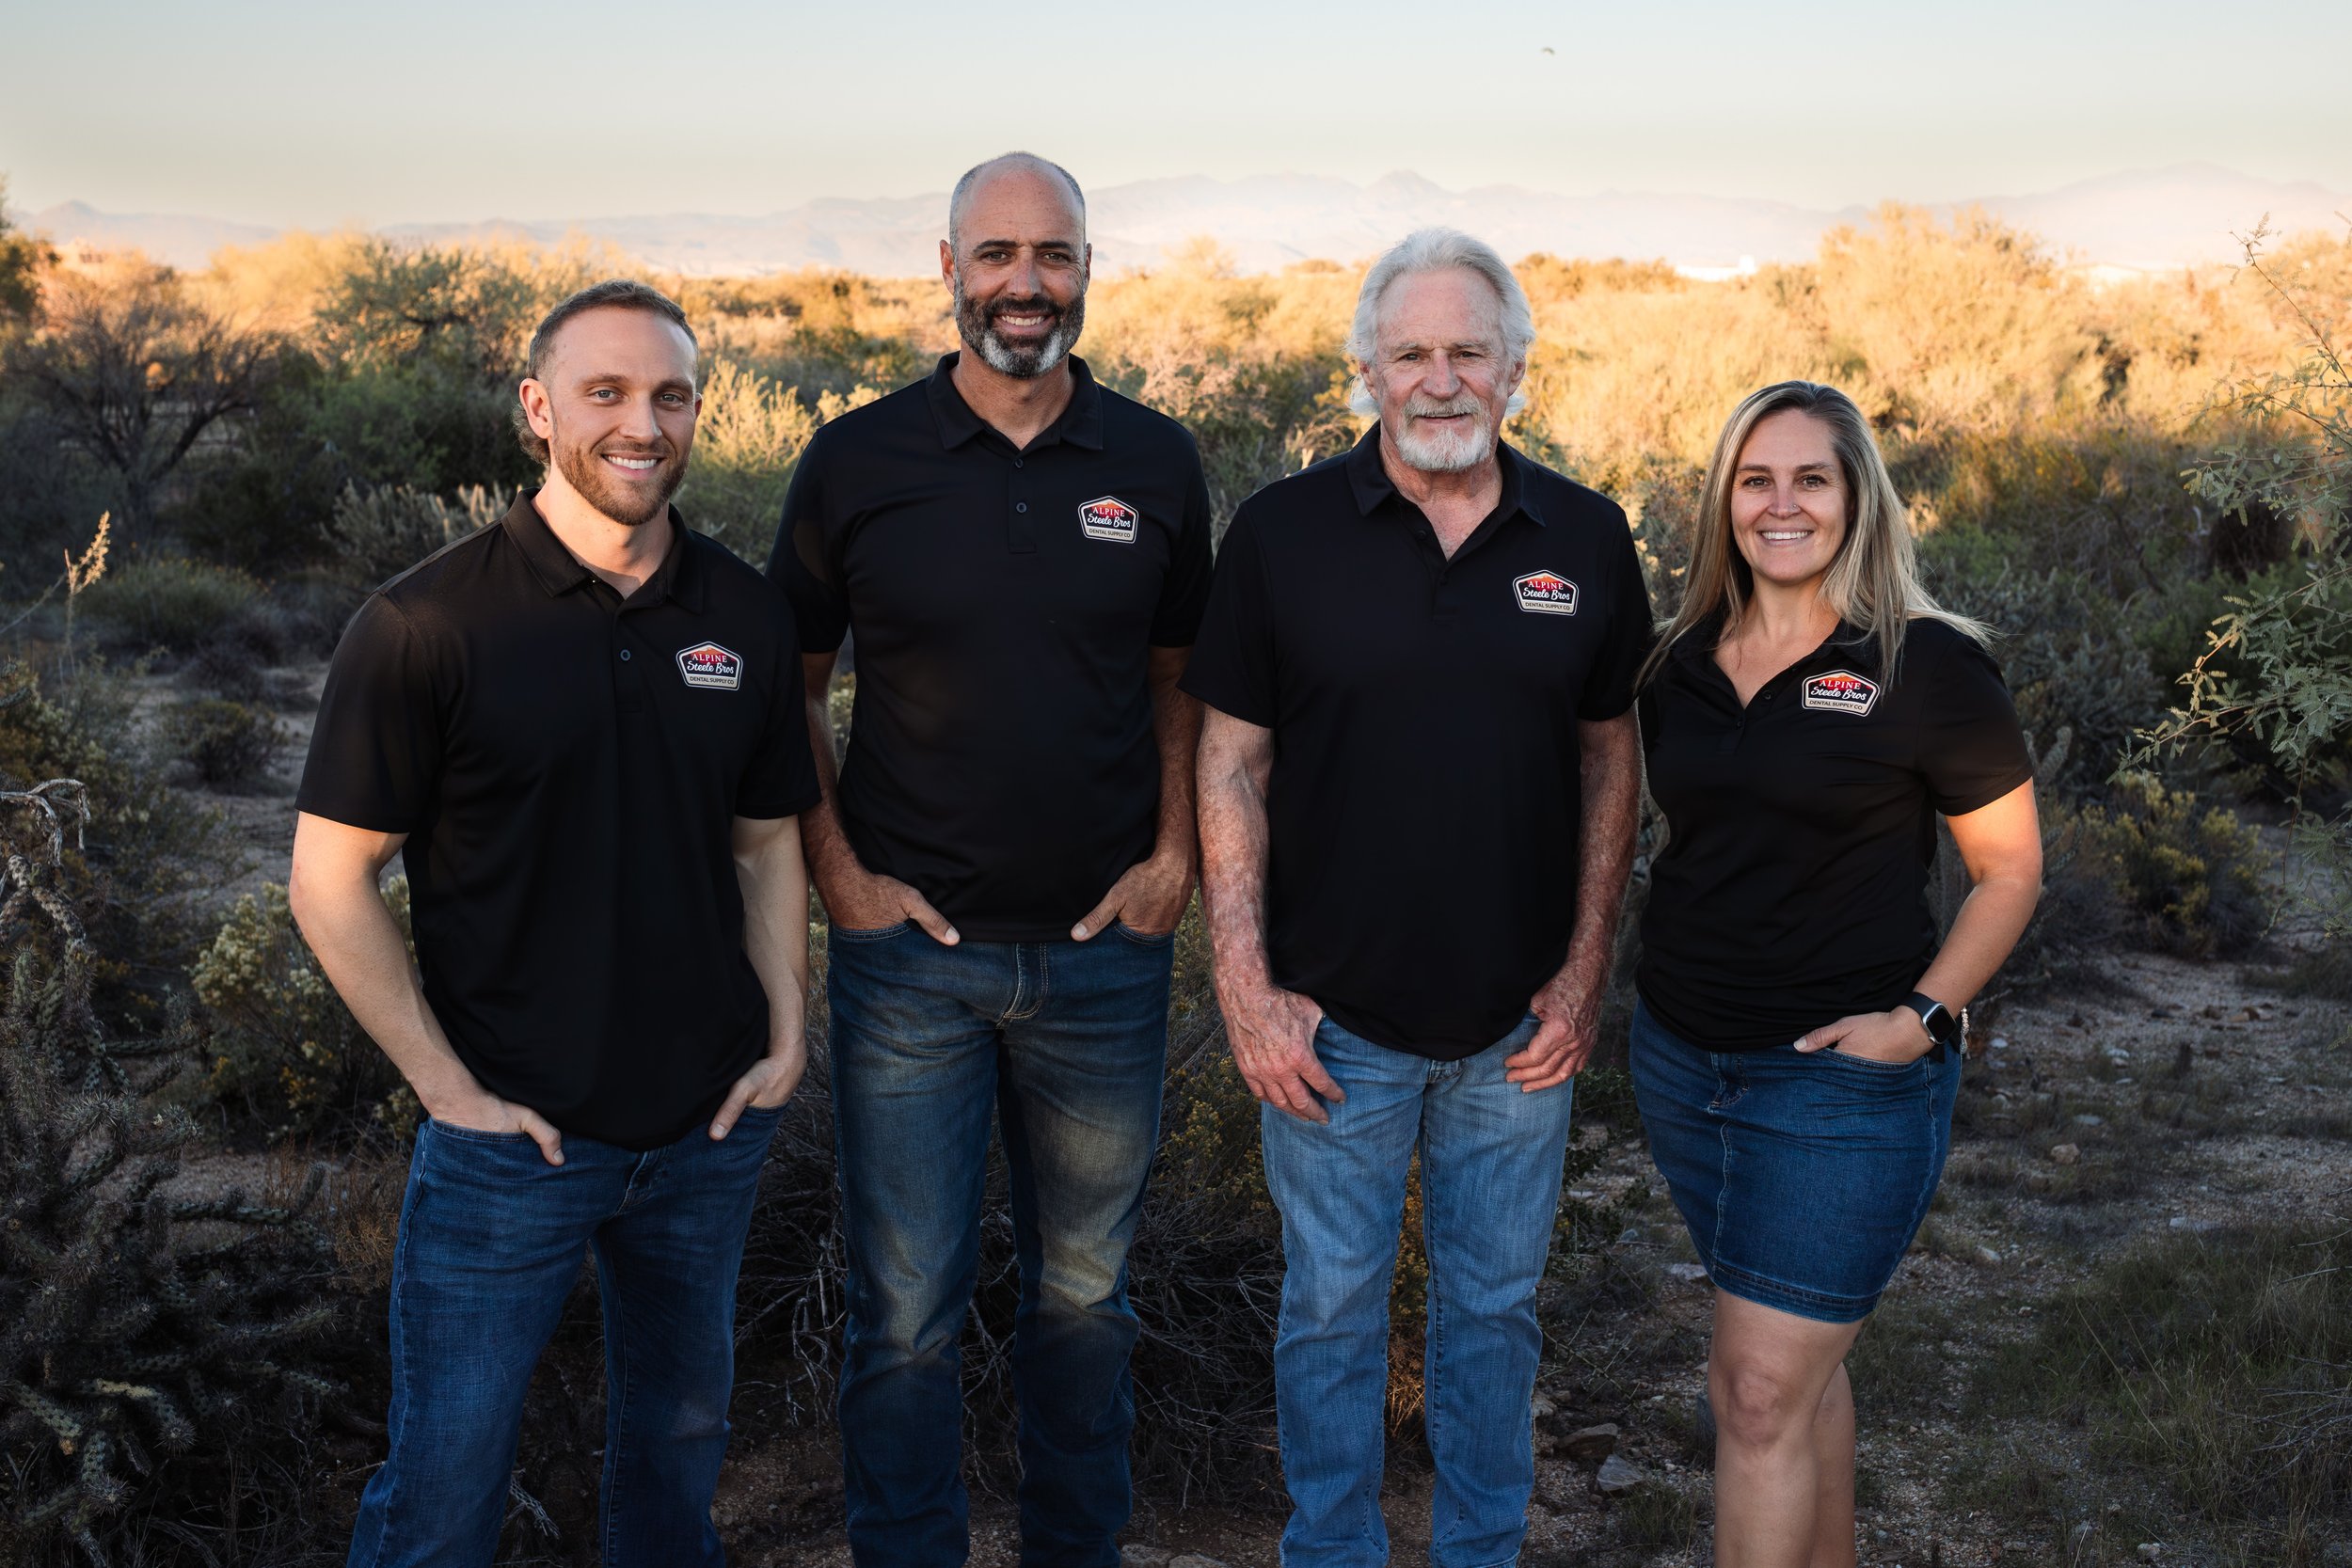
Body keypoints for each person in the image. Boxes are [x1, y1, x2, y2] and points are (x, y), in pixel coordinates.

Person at [292, 279, 820, 1568]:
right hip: (507, 1141)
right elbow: (331, 879)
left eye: (671, 395)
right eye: (606, 392)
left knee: (677, 1461)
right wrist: (445, 1087)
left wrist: (786, 1035)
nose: (643, 424)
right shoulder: (426, 623)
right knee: (444, 1485)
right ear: (538, 407)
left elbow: (765, 841)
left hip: (704, 1133)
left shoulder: (743, 614)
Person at [768, 151, 1213, 1567]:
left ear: (1088, 268)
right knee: (904, 1314)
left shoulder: (1155, 460)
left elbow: (1180, 678)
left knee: (1086, 1304)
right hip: (910, 963)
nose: (1028, 282)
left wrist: (1173, 856)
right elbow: (791, 687)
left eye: (1055, 253)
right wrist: (840, 876)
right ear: (949, 269)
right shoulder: (855, 460)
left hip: (1104, 958)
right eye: (1000, 253)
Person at [1185, 228, 1651, 1568]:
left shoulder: (1586, 534)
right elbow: (1228, 762)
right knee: (1330, 1310)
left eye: (1467, 352)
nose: (1440, 380)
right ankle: (1330, 1549)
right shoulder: (1281, 535)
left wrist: (1584, 967)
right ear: (1367, 370)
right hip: (1329, 1021)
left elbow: (1612, 757)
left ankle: (1479, 1551)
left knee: (1494, 1313)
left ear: (1515, 368)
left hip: (1521, 1026)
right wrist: (1246, 985)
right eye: (1410, 354)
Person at [1629, 380, 2042, 1566]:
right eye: (1754, 479)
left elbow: (2008, 870)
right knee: (1797, 1372)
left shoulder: (1927, 663)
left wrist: (1920, 1018)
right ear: (1723, 501)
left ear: (1857, 498)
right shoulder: (1675, 663)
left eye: (1810, 478)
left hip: (1840, 1082)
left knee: (1757, 1389)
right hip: (1681, 1062)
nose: (1782, 504)